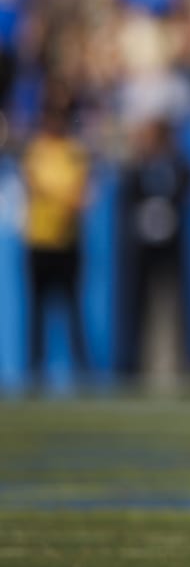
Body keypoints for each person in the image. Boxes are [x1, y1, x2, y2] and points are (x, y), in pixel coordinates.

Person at [115, 115, 190, 390]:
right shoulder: (138, 166)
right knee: (138, 304)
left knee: (177, 304)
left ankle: (183, 364)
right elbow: (126, 195)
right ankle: (132, 365)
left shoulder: (175, 164)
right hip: (143, 247)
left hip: (171, 245)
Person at [22, 96, 91, 391]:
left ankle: (81, 370)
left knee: (72, 307)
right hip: (40, 239)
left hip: (67, 239)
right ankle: (35, 370)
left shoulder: (75, 152)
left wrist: (58, 195)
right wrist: (62, 194)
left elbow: (78, 195)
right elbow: (36, 183)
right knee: (37, 309)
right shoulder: (36, 149)